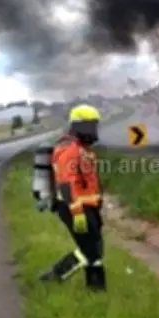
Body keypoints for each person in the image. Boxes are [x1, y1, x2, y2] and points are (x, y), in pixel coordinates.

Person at [38, 104, 107, 291]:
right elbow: (66, 183)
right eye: (92, 125)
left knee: (95, 249)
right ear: (80, 126)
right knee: (91, 251)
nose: (95, 130)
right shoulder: (69, 149)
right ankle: (62, 277)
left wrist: (97, 203)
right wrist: (77, 212)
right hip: (75, 208)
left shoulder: (84, 149)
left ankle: (92, 287)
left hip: (88, 207)